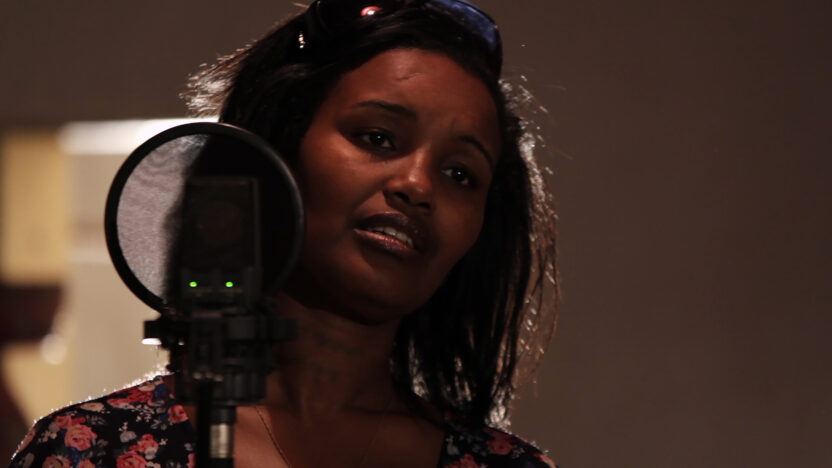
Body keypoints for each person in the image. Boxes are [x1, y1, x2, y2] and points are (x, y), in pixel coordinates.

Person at [10, 0, 559, 467]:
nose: (418, 185)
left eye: (460, 173)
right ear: (276, 151)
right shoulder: (92, 451)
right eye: (377, 137)